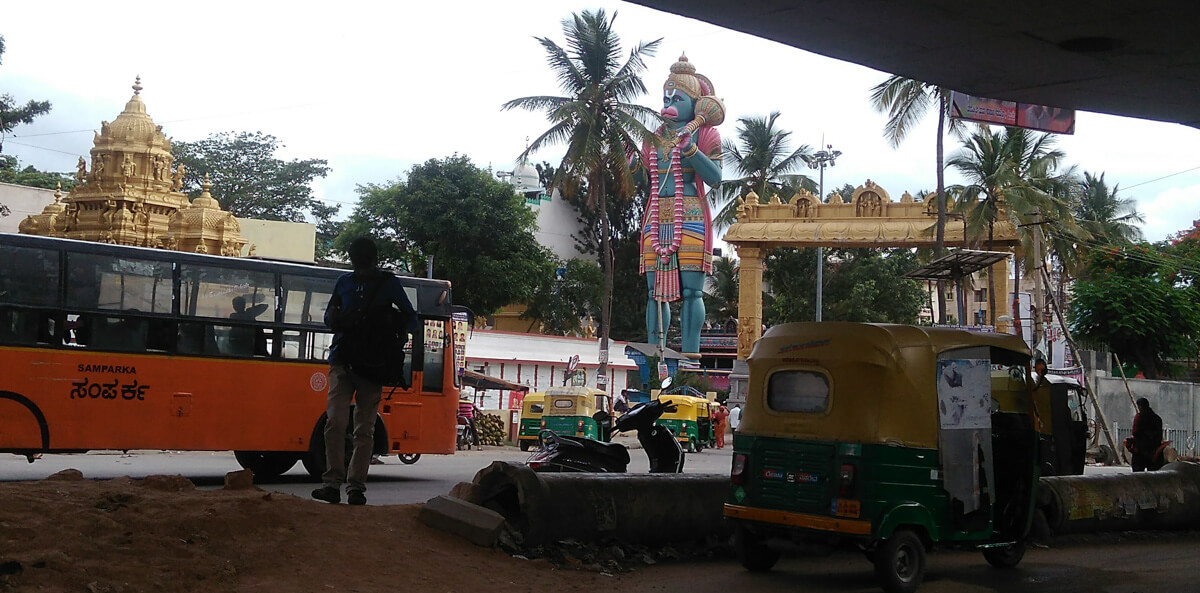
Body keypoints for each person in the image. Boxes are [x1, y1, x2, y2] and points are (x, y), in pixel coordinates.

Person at [311, 237, 417, 505]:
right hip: (343, 359)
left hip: (372, 366)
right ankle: (332, 484)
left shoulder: (388, 283)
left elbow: (411, 318)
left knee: (363, 429)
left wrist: (392, 334)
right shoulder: (344, 283)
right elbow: (328, 318)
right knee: (335, 422)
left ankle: (355, 487)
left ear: (370, 261)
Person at [1129, 397, 1165, 472]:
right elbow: (1159, 436)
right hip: (1155, 451)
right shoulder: (1157, 418)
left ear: (1140, 406)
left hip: (1141, 450)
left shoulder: (1139, 417)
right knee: (1154, 476)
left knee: (1138, 475)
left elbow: (1135, 432)